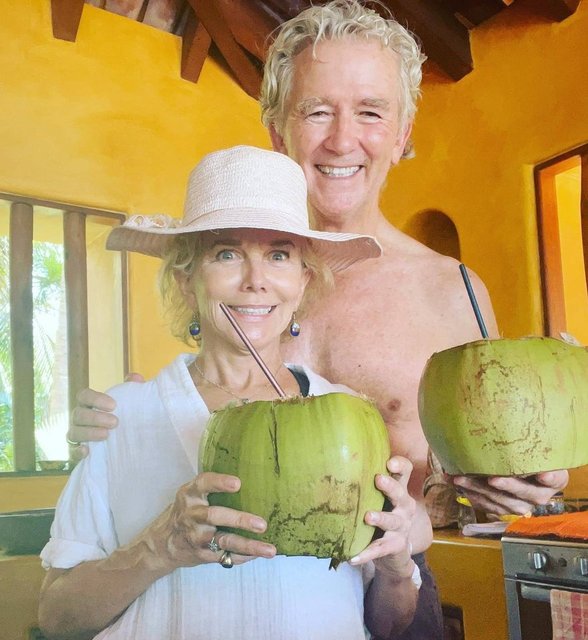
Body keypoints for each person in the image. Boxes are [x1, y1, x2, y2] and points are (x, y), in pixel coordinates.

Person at [68, 1, 569, 637]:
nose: (341, 139)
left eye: (370, 112)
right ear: (278, 132)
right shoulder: (240, 288)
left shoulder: (454, 291)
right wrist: (105, 427)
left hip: (389, 587)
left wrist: (519, 484)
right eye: (316, 111)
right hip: (217, 590)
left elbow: (472, 481)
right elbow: (173, 420)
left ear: (403, 133)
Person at [39, 146, 422, 640]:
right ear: (186, 280)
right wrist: (156, 549)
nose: (255, 281)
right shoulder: (119, 417)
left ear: (302, 282)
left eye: (279, 255)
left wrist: (395, 566)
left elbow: (389, 626)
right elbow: (58, 620)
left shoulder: (354, 421)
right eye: (226, 254)